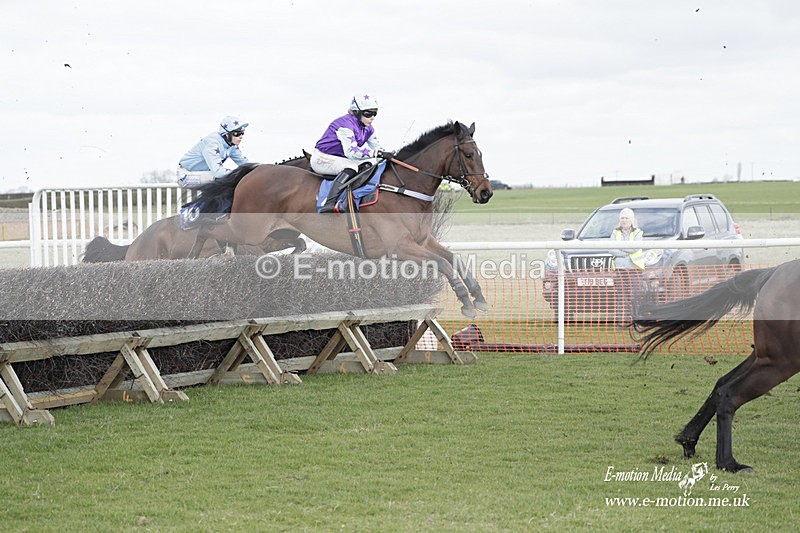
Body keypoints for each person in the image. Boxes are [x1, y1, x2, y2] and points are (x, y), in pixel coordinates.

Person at [310, 93, 394, 213]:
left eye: (375, 113)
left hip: (339, 158)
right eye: (368, 113)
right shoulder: (345, 125)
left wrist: (388, 155)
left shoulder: (368, 128)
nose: (372, 117)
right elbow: (352, 152)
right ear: (356, 112)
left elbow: (377, 148)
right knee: (352, 167)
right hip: (322, 158)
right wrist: (378, 153)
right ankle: (329, 203)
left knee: (369, 164)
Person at [177, 116, 249, 188]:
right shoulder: (212, 143)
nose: (241, 136)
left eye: (242, 133)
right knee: (221, 179)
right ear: (226, 134)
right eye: (237, 134)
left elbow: (245, 164)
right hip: (185, 175)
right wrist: (239, 173)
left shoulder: (232, 146)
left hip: (205, 174)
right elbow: (218, 172)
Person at [610, 207, 645, 324]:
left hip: (634, 269)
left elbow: (635, 247)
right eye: (622, 218)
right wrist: (626, 251)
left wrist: (620, 247)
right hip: (620, 270)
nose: (624, 220)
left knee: (636, 294)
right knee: (621, 296)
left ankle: (636, 319)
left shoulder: (638, 232)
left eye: (626, 218)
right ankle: (622, 321)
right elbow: (611, 249)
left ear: (632, 220)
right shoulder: (615, 232)